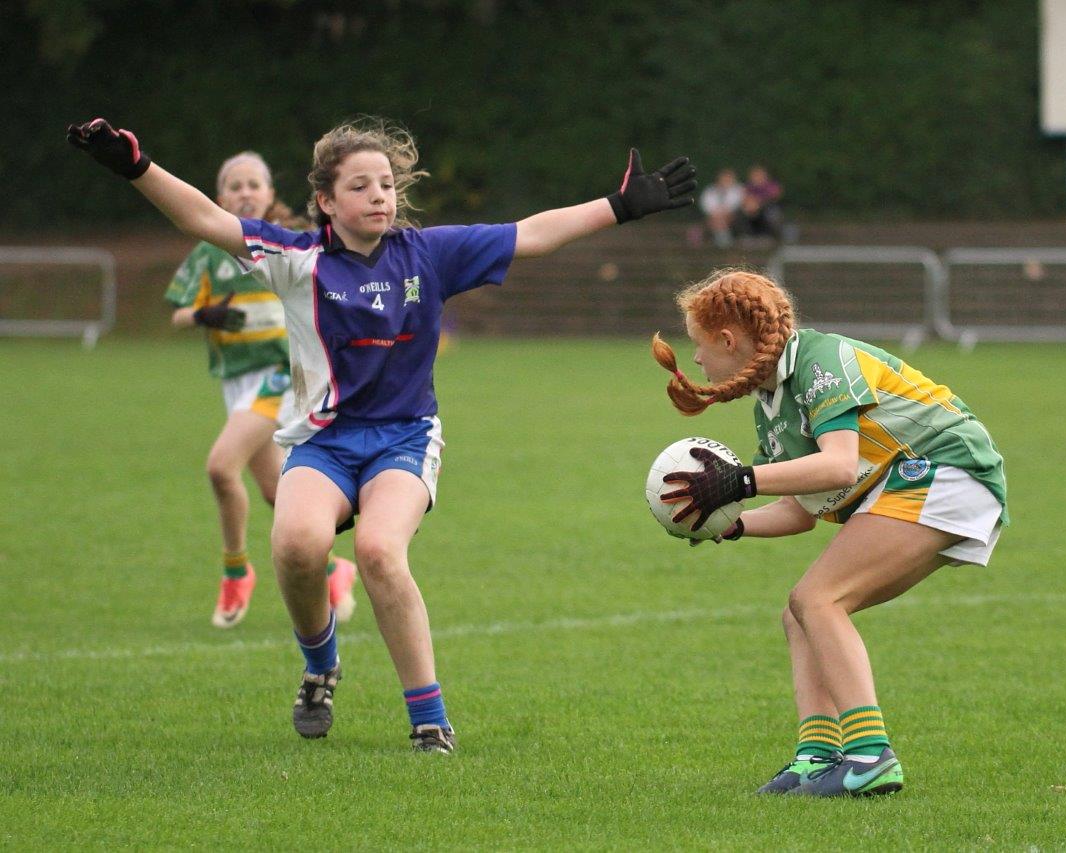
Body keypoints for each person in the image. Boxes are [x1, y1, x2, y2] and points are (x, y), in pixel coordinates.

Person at [69, 115, 695, 753]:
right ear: (326, 201)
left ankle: (429, 720)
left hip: (404, 439)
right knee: (295, 546)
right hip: (323, 443)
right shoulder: (296, 260)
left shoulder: (428, 253)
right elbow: (206, 220)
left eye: (387, 184)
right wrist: (136, 168)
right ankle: (320, 666)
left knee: (377, 553)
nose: (378, 196)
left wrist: (617, 207)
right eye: (361, 186)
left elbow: (531, 234)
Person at [650, 268, 1007, 797]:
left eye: (699, 346)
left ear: (728, 340)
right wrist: (731, 526)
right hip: (914, 480)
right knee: (800, 613)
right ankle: (816, 757)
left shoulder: (822, 362)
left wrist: (739, 482)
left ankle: (869, 757)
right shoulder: (771, 406)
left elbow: (839, 467)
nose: (697, 360)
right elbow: (801, 507)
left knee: (819, 598)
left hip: (947, 470)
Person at [166, 151, 357, 628]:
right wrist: (202, 316)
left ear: (271, 195)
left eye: (255, 184)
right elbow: (177, 312)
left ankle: (236, 571)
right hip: (238, 384)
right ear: (218, 197)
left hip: (279, 379)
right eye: (235, 185)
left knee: (219, 467)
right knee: (277, 494)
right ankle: (335, 571)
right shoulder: (209, 253)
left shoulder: (285, 249)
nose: (245, 192)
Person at [699, 168, 744, 247]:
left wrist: (724, 212)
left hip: (733, 216)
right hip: (713, 216)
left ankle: (722, 242)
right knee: (716, 220)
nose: (726, 180)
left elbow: (737, 204)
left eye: (729, 178)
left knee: (723, 219)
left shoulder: (739, 189)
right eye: (724, 178)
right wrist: (716, 213)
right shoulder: (710, 190)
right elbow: (705, 204)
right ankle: (722, 241)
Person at [739, 164, 784, 241]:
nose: (757, 177)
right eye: (754, 175)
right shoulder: (748, 186)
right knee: (743, 211)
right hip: (750, 207)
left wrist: (758, 202)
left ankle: (765, 236)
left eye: (759, 175)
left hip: (769, 207)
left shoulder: (772, 185)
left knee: (764, 212)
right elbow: (745, 197)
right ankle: (749, 235)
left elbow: (775, 196)